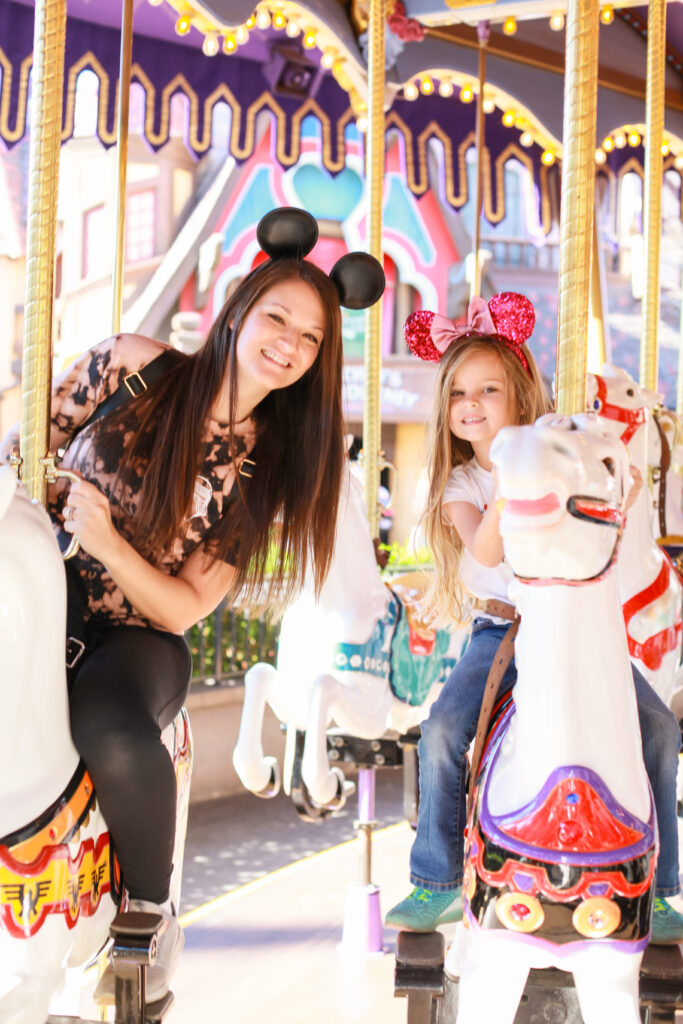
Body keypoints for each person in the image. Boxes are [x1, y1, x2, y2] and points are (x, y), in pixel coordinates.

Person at [0, 207, 384, 1001]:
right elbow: (25, 439)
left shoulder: (266, 470)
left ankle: (147, 912)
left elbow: (181, 608)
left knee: (107, 726)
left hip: (132, 636)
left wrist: (106, 543)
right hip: (38, 591)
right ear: (239, 308)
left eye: (311, 338)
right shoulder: (131, 366)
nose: (289, 343)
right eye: (278, 316)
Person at [385, 292, 683, 945]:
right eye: (458, 392)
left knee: (658, 728)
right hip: (502, 632)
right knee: (440, 734)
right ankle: (434, 877)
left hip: (579, 624)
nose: (470, 403)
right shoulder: (462, 486)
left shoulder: (560, 453)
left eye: (488, 389)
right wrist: (514, 465)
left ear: (520, 393)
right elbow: (485, 554)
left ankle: (660, 888)